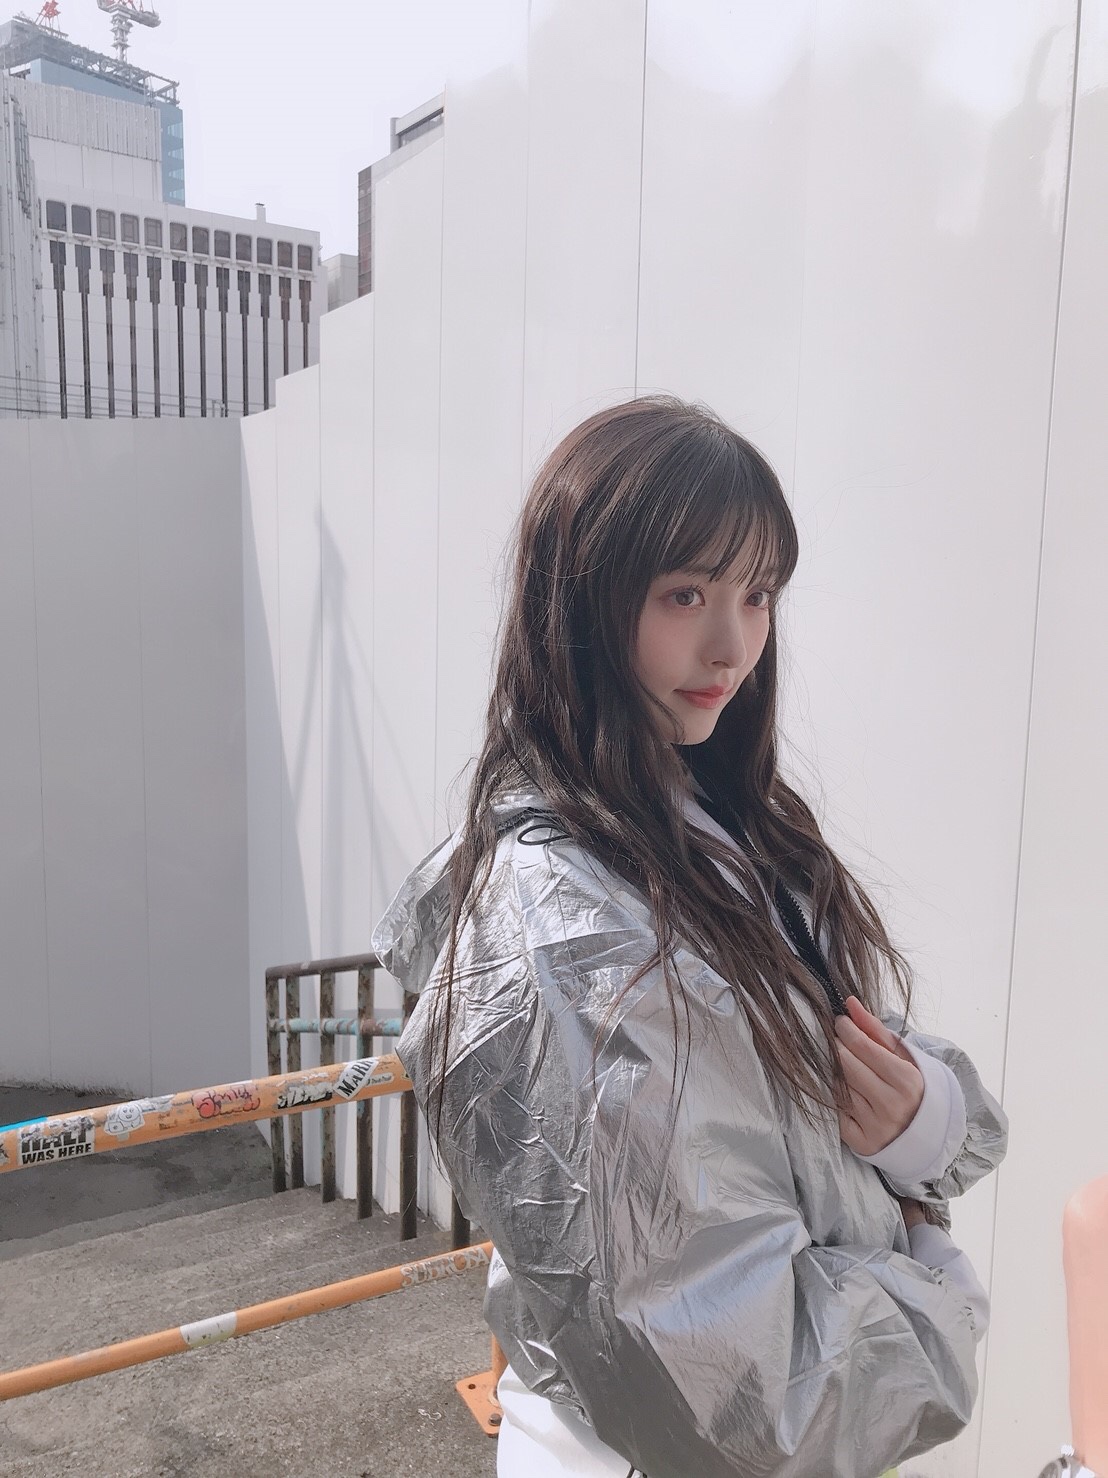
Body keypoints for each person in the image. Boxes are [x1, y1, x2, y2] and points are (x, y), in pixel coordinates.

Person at [372, 395, 1008, 1477]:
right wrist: (939, 1281)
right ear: (580, 599)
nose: (732, 644)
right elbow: (728, 1391)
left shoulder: (718, 823)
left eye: (757, 595)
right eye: (685, 594)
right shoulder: (557, 923)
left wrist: (922, 1117)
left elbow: (867, 1076)